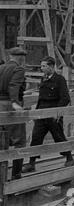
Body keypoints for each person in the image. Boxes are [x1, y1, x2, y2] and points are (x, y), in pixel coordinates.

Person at [22, 57, 74, 173]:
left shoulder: (59, 79)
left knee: (59, 136)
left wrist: (57, 112)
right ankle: (31, 163)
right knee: (36, 137)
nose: (42, 68)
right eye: (41, 66)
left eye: (44, 66)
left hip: (53, 114)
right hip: (41, 114)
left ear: (51, 67)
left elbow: (65, 98)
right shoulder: (43, 79)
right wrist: (36, 114)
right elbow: (41, 99)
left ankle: (69, 158)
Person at [0, 47, 28, 180]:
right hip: (10, 106)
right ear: (21, 58)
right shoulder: (19, 69)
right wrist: (15, 102)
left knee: (1, 140)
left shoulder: (1, 68)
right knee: (20, 141)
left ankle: (2, 175)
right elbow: (14, 85)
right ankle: (16, 175)